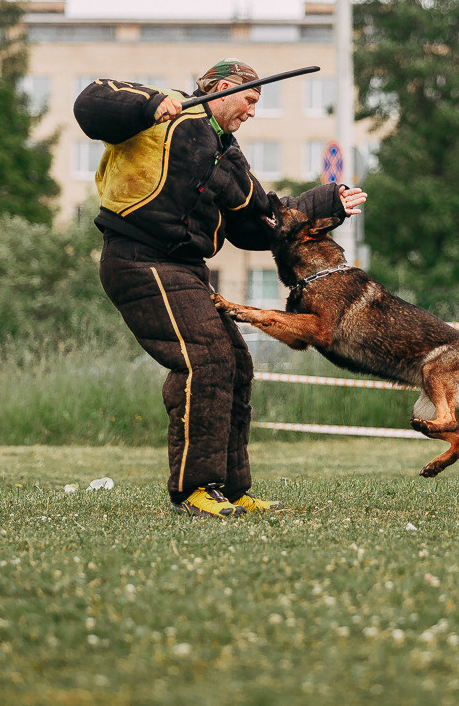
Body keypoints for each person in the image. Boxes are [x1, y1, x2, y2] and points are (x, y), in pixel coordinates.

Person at [73, 58, 366, 518]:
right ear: (224, 90)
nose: (252, 112)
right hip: (138, 258)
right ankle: (193, 490)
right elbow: (90, 102)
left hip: (186, 268)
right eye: (250, 100)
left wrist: (327, 201)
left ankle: (228, 488)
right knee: (205, 357)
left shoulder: (228, 158)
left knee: (236, 364)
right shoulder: (165, 117)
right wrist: (152, 103)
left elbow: (261, 222)